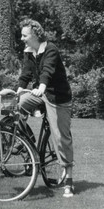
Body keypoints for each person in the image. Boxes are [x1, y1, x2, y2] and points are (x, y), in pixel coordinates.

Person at [17, 18, 75, 198]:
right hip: (39, 93)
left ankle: (69, 180)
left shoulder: (51, 49)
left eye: (24, 35)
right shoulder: (29, 51)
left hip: (57, 96)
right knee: (18, 106)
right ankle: (27, 143)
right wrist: (18, 89)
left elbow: (47, 70)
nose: (22, 38)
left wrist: (42, 86)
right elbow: (26, 72)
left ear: (35, 34)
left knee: (61, 137)